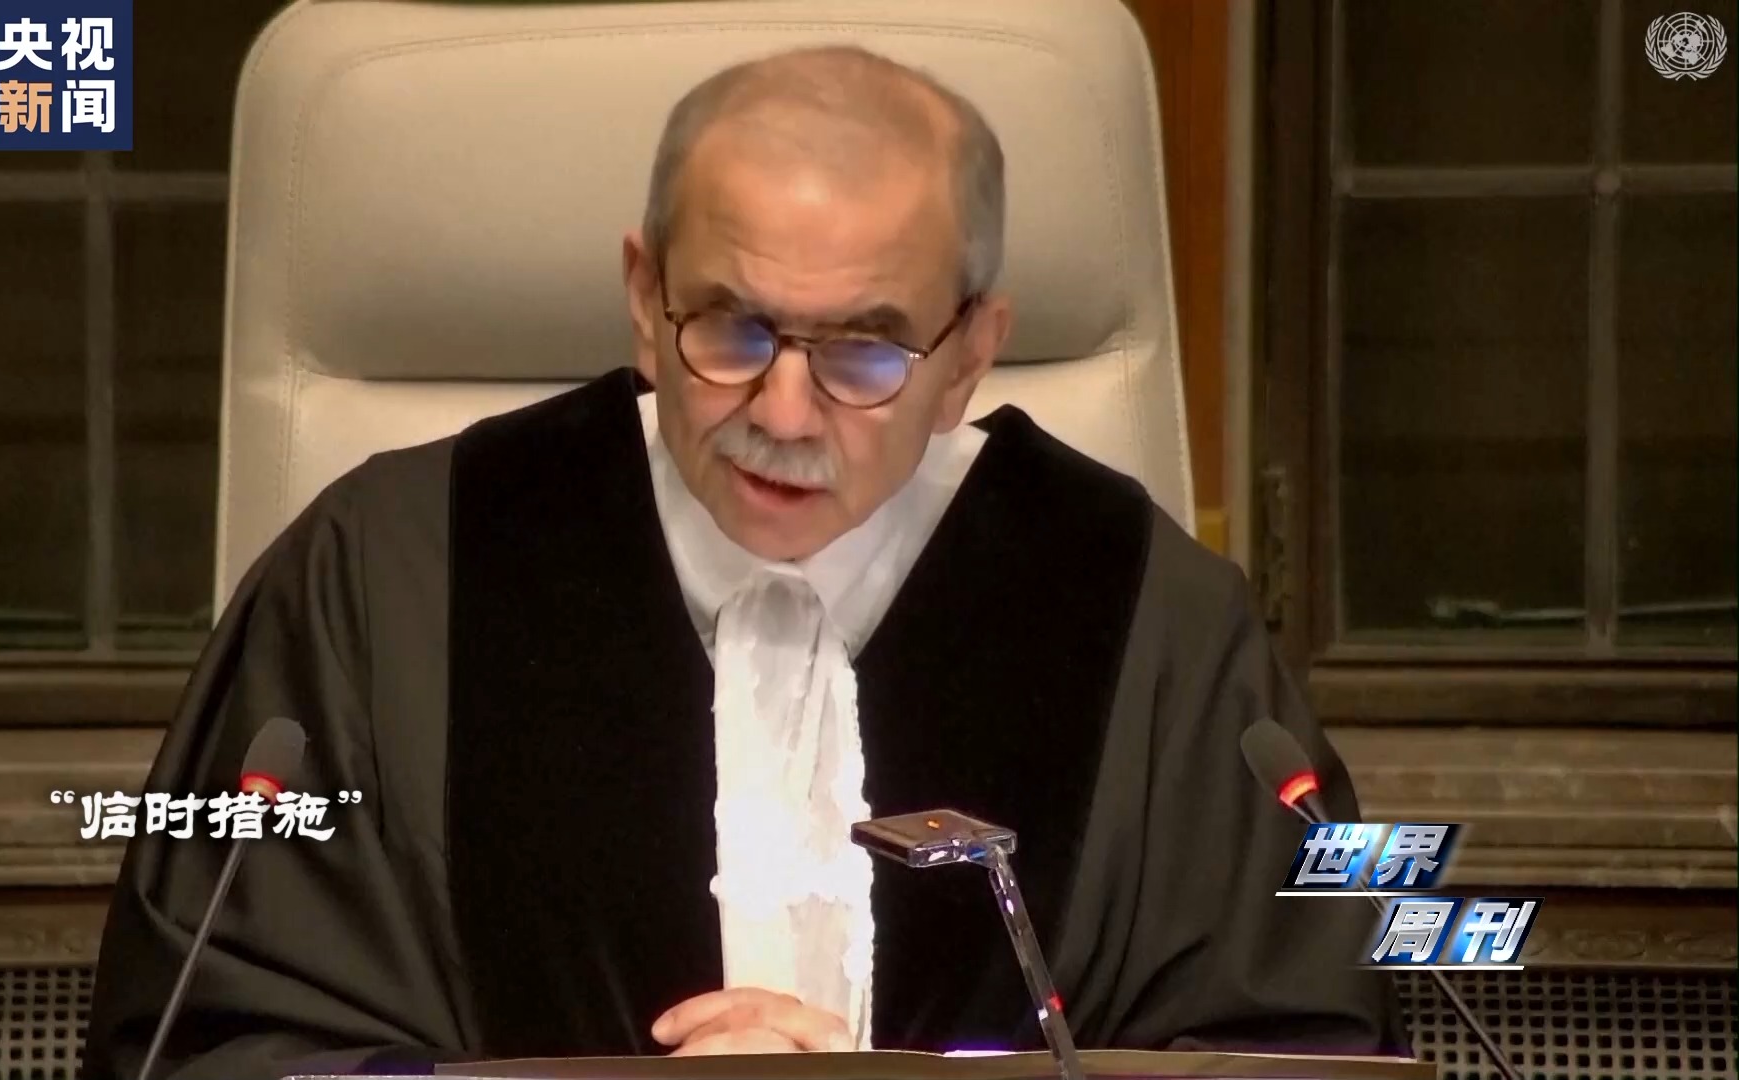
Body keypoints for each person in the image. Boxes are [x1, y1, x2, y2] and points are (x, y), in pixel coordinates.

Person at [83, 44, 1404, 1080]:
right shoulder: (380, 580)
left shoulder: (1153, 626)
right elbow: (215, 1035)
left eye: (865, 351)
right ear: (641, 296)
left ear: (969, 356)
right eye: (730, 328)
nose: (782, 413)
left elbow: (1300, 1042)